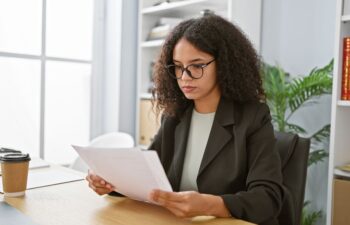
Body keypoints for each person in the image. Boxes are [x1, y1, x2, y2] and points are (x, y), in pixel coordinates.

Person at [86, 14, 284, 225]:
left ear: (225, 65)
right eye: (178, 67)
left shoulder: (252, 117)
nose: (184, 77)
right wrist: (112, 182)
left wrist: (211, 204)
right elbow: (149, 176)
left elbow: (268, 198)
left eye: (197, 66)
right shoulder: (175, 116)